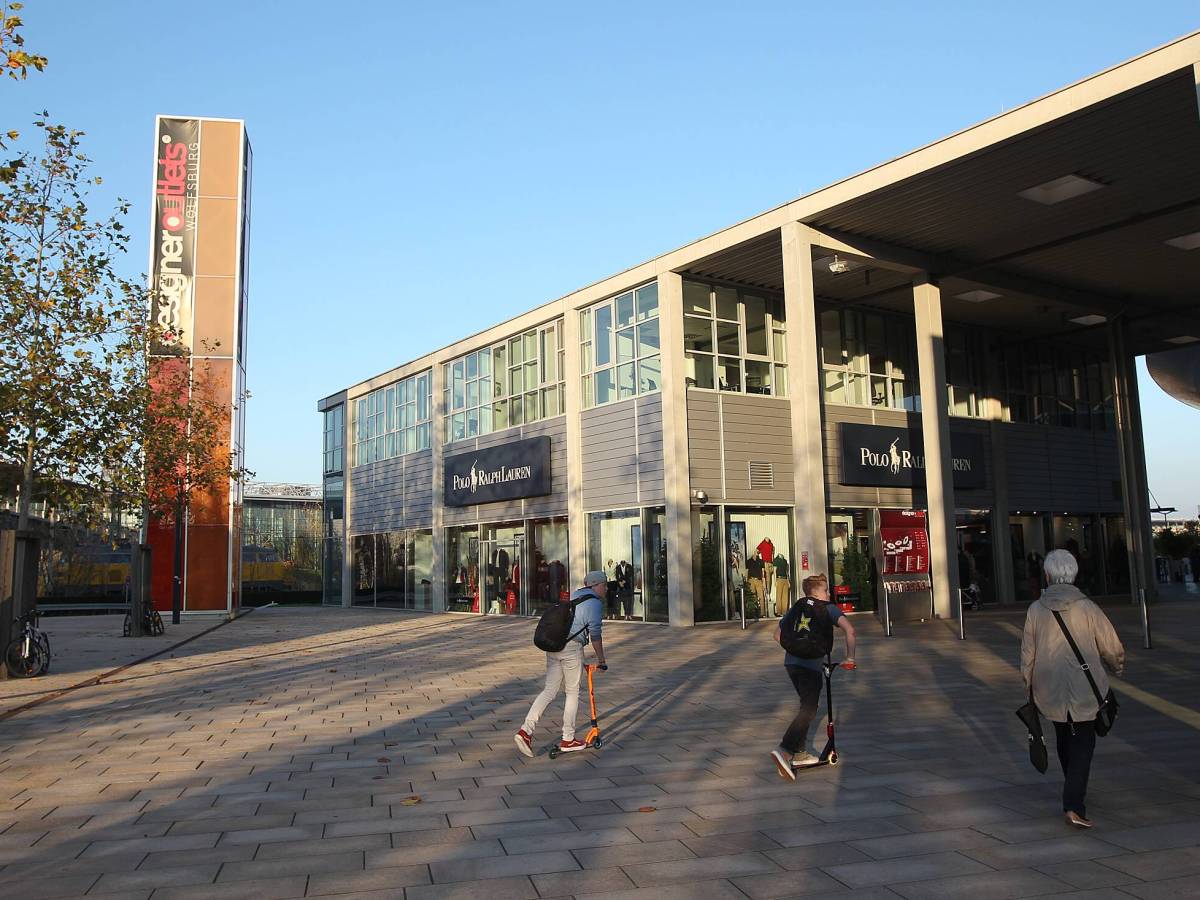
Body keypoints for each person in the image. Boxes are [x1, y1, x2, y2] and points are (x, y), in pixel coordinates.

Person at [1021, 549, 1125, 828]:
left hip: (1049, 688)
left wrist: (1028, 683)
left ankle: (1073, 791)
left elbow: (1027, 653)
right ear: (1074, 573)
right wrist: (1117, 666)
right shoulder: (1087, 607)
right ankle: (1073, 803)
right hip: (1085, 688)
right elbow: (1110, 645)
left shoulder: (1035, 610)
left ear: (1048, 575)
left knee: (1065, 739)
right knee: (1083, 743)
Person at [771, 573, 857, 780]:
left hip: (791, 664)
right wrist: (850, 658)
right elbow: (850, 631)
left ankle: (800, 754)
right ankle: (785, 750)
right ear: (816, 591)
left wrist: (796, 649)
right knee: (809, 708)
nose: (829, 594)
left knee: (806, 704)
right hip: (810, 666)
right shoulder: (829, 609)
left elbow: (777, 634)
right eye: (826, 590)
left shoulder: (797, 606)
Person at [515, 570, 608, 757]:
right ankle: (568, 739)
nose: (606, 589)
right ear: (596, 585)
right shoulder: (595, 604)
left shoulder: (575, 595)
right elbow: (595, 635)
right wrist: (601, 660)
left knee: (549, 691)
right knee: (572, 692)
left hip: (555, 645)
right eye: (604, 585)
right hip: (572, 648)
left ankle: (526, 731)